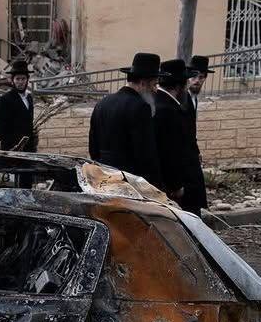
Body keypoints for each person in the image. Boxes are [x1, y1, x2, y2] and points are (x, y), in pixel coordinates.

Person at [88, 53, 165, 188]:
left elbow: (93, 148)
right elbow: (145, 153)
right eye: (154, 85)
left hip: (103, 178)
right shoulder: (141, 107)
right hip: (129, 181)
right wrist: (156, 185)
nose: (155, 90)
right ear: (143, 83)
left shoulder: (103, 103)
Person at [152, 59, 197, 211]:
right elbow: (170, 151)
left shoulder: (156, 102)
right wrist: (175, 185)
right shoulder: (168, 109)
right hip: (172, 187)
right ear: (179, 86)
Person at [183, 55, 213, 214]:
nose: (197, 81)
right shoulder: (184, 98)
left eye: (201, 77)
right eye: (194, 76)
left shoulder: (194, 98)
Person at [0, 60, 36, 153]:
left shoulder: (29, 98)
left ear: (27, 80)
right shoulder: (5, 99)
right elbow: (0, 131)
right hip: (11, 150)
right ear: (12, 80)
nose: (20, 82)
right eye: (17, 79)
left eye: (23, 79)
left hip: (28, 151)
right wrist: (15, 145)